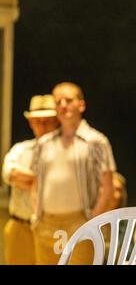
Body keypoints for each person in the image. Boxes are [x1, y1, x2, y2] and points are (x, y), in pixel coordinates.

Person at [31, 82, 117, 264]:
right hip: (45, 223)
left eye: (68, 100)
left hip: (79, 222)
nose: (63, 105)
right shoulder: (43, 143)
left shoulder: (96, 141)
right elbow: (36, 183)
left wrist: (91, 221)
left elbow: (108, 186)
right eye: (58, 101)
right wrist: (35, 216)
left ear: (81, 104)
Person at [2, 95, 59, 264]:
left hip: (53, 228)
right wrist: (42, 181)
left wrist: (31, 180)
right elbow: (9, 174)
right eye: (37, 121)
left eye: (47, 120)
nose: (42, 125)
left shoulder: (66, 152)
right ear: (30, 122)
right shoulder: (20, 150)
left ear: (56, 121)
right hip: (21, 226)